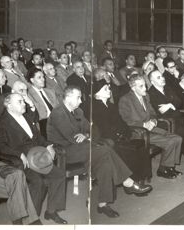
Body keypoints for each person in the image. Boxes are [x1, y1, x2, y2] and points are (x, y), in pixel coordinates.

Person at [47, 86, 142, 218]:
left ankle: (103, 204)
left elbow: (93, 129)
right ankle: (127, 182)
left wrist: (85, 135)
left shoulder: (78, 111)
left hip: (83, 148)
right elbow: (72, 137)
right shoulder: (58, 113)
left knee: (105, 163)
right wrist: (85, 135)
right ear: (68, 98)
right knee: (105, 149)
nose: (81, 101)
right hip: (65, 153)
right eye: (78, 97)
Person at [0, 93, 68, 224]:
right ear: (9, 105)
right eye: (20, 102)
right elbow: (0, 147)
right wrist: (18, 154)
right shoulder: (1, 123)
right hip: (21, 162)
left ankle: (51, 211)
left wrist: (48, 146)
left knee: (59, 175)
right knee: (37, 182)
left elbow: (38, 137)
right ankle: (31, 220)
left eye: (23, 101)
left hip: (37, 157)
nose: (24, 104)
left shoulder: (26, 117)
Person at [90, 83, 154, 193]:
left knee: (139, 144)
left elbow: (122, 122)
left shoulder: (110, 105)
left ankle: (139, 179)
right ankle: (131, 184)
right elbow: (103, 129)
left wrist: (126, 133)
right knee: (125, 149)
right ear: (97, 94)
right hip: (107, 139)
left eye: (108, 88)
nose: (109, 90)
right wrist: (118, 135)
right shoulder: (95, 108)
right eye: (105, 89)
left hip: (119, 136)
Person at [118, 75, 183, 179]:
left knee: (177, 138)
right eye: (141, 86)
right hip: (138, 132)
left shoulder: (146, 96)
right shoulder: (125, 100)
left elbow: (153, 113)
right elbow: (126, 121)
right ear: (133, 88)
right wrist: (144, 125)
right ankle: (163, 169)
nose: (145, 88)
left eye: (145, 85)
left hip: (150, 128)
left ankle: (168, 167)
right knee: (170, 142)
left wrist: (153, 121)